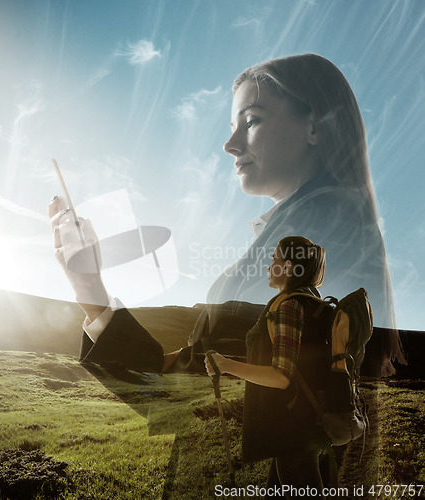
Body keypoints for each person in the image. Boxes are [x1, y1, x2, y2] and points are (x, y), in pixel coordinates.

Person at [49, 53, 404, 379]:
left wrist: (91, 290)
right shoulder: (317, 221)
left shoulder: (327, 216)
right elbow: (193, 373)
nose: (230, 144)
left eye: (252, 121)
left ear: (315, 127)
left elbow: (204, 383)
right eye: (232, 126)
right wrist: (88, 287)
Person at [205, 236, 330, 500]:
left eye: (273, 260)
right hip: (298, 426)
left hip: (292, 431)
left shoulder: (289, 306)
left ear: (287, 267)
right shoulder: (311, 302)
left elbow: (281, 375)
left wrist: (226, 365)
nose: (268, 266)